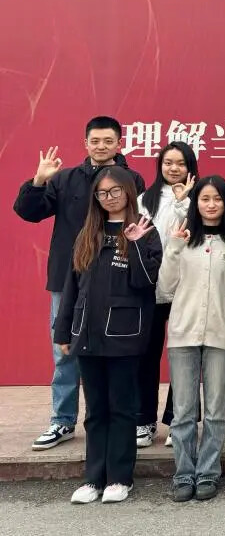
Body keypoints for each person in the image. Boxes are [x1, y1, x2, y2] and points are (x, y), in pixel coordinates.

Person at [14, 116, 145, 451]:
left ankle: (120, 421)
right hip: (68, 277)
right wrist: (38, 181)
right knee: (64, 350)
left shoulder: (132, 180)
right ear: (85, 143)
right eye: (95, 141)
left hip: (116, 279)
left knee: (117, 352)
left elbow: (141, 225)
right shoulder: (65, 178)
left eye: (108, 141)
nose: (101, 146)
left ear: (119, 144)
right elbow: (29, 212)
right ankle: (62, 420)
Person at [53, 166, 162, 504]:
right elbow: (71, 287)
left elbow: (146, 282)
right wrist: (63, 330)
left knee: (122, 409)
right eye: (102, 193)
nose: (109, 198)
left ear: (128, 192)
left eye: (115, 191)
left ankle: (119, 477)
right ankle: (93, 478)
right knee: (96, 410)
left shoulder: (145, 230)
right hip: (87, 334)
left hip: (124, 335)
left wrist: (136, 244)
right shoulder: (88, 233)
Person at [158, 176, 225, 502]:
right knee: (183, 412)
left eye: (218, 199)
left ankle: (208, 472)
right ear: (195, 203)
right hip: (183, 334)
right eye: (204, 198)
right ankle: (183, 474)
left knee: (215, 411)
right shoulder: (183, 238)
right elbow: (164, 288)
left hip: (222, 335)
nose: (211, 205)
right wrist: (173, 247)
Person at [136, 141, 199, 448]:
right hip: (149, 287)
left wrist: (183, 201)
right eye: (168, 162)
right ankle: (143, 420)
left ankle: (179, 420)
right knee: (145, 355)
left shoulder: (199, 198)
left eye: (181, 163)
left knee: (184, 357)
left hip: (185, 286)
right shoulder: (144, 199)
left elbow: (194, 233)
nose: (174, 168)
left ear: (190, 167)